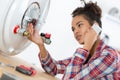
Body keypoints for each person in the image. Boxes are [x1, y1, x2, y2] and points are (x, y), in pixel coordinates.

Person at [27, 0, 120, 80]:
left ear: (95, 27)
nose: (75, 32)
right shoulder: (88, 55)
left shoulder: (109, 56)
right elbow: (54, 68)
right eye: (73, 29)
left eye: (79, 25)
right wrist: (41, 45)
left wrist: (86, 47)